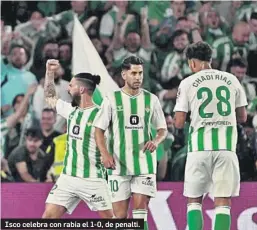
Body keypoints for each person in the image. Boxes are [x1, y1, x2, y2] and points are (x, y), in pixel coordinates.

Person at [173, 41, 247, 230]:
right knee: (223, 202)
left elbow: (179, 122)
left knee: (194, 201)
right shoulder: (231, 79)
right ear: (210, 59)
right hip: (226, 148)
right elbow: (242, 117)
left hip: (199, 148)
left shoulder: (188, 83)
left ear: (192, 63)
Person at [94, 56, 167, 229]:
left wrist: (156, 141)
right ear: (124, 74)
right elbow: (98, 129)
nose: (138, 77)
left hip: (144, 164)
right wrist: (105, 154)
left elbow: (162, 129)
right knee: (119, 217)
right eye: (133, 73)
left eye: (140, 73)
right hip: (118, 165)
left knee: (140, 213)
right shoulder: (111, 99)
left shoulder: (152, 99)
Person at [42, 59, 114, 219]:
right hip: (68, 178)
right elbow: (50, 97)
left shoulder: (101, 114)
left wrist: (108, 155)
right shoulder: (71, 111)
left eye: (71, 85)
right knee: (48, 219)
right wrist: (49, 73)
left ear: (81, 89)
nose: (68, 88)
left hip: (93, 179)